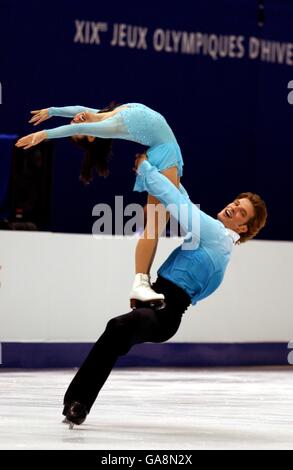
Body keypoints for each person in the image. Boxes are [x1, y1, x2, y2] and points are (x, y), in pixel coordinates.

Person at [61, 153, 267, 427]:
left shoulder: (216, 235)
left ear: (243, 227)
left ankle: (77, 403)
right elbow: (180, 195)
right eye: (236, 202)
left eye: (242, 212)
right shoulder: (220, 245)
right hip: (161, 307)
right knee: (115, 334)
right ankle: (76, 403)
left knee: (117, 328)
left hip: (164, 312)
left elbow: (177, 203)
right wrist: (166, 168)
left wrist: (145, 167)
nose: (233, 207)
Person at [15, 103, 185, 307]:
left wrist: (51, 112)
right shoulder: (110, 125)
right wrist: (43, 134)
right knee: (155, 227)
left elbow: (77, 110)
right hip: (165, 155)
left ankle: (142, 283)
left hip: (163, 152)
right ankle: (141, 283)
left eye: (75, 120)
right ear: (91, 135)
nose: (75, 120)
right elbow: (77, 128)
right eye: (82, 130)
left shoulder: (104, 115)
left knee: (163, 220)